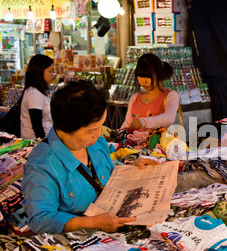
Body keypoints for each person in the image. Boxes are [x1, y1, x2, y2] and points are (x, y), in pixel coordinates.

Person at [22, 80, 158, 234]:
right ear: (65, 128)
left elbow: (106, 177)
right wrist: (91, 223)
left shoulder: (96, 144)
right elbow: (40, 219)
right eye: (92, 130)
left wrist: (131, 170)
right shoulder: (41, 165)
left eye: (101, 126)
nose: (99, 135)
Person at [120, 53, 180, 131]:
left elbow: (169, 118)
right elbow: (128, 124)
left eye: (148, 77)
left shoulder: (171, 95)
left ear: (158, 74)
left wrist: (144, 122)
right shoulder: (134, 98)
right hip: (135, 142)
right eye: (140, 76)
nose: (143, 81)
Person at [20, 54, 55, 139]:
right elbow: (37, 125)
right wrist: (44, 144)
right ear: (39, 71)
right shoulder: (34, 94)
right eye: (50, 71)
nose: (52, 75)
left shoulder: (38, 91)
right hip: (35, 143)